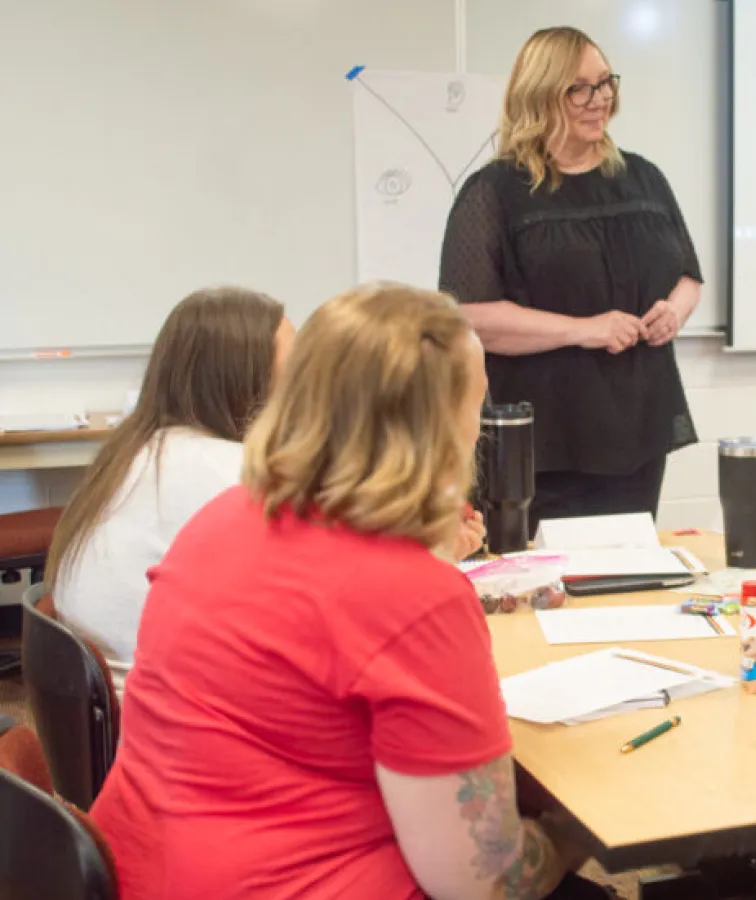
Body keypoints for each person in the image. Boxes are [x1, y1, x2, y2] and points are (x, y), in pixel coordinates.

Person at [91, 284, 596, 900]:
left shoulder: (224, 517)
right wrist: (576, 833)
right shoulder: (415, 595)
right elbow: (485, 883)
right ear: (444, 428)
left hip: (148, 873)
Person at [440, 25, 700, 531]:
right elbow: (469, 318)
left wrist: (675, 311)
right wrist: (585, 329)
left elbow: (689, 277)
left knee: (625, 580)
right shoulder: (495, 191)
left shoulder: (644, 178)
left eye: (605, 83)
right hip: (542, 442)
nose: (598, 99)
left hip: (637, 426)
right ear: (538, 96)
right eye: (578, 88)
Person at [47, 287, 295, 688]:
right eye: (295, 371)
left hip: (100, 707)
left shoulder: (137, 448)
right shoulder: (230, 470)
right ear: (245, 381)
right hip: (159, 717)